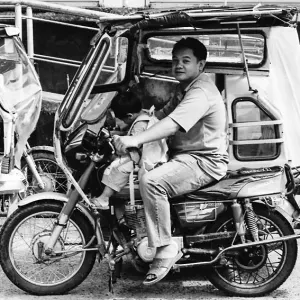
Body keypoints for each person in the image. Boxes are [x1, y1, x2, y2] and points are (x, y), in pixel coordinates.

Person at [113, 37, 228, 285]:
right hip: (186, 157)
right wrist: (132, 127)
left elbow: (172, 124)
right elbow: (162, 116)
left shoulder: (201, 92)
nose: (178, 65)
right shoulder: (183, 89)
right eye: (175, 60)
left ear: (201, 65)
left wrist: (136, 140)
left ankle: (165, 249)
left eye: (186, 61)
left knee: (152, 182)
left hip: (203, 160)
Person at [91, 92, 168, 216]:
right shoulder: (145, 116)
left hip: (150, 161)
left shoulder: (140, 125)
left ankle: (104, 198)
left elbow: (133, 151)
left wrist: (115, 154)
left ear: (129, 116)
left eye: (119, 120)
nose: (117, 123)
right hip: (157, 156)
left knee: (119, 168)